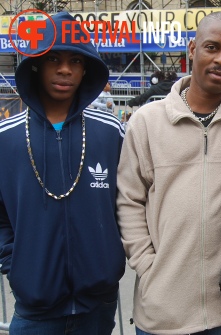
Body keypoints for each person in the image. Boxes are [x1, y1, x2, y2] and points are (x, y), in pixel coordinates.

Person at [116, 11, 221, 335]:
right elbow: (129, 200)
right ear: (192, 49)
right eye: (212, 47)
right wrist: (148, 266)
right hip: (159, 314)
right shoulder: (147, 123)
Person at [0, 12, 125, 334]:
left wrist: (108, 259)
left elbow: (130, 202)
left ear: (87, 69)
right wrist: (18, 267)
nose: (65, 69)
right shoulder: (6, 137)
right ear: (36, 64)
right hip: (34, 307)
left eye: (76, 61)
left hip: (99, 302)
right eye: (53, 58)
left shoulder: (111, 132)